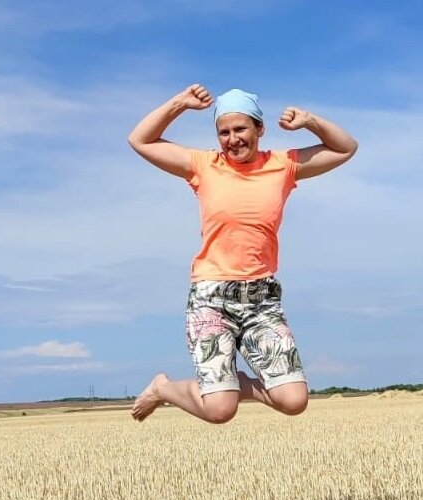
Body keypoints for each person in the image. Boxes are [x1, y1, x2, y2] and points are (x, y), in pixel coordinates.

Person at [127, 84, 357, 423]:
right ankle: (163, 388)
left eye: (240, 129)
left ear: (259, 129)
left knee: (294, 401)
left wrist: (309, 121)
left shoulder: (284, 165)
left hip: (262, 299)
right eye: (224, 132)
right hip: (211, 298)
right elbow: (140, 140)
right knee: (220, 410)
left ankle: (237, 384)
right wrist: (180, 104)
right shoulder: (204, 165)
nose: (232, 139)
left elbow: (345, 148)